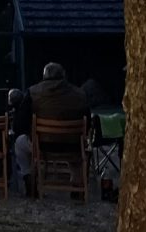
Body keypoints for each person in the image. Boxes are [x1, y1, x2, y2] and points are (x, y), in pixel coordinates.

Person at [13, 62, 90, 195]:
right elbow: (87, 121)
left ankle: (28, 177)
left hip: (42, 145)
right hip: (73, 146)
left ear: (44, 76)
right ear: (64, 75)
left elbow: (19, 124)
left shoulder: (33, 92)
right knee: (79, 149)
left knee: (19, 143)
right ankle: (77, 184)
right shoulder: (80, 94)